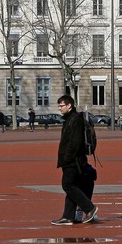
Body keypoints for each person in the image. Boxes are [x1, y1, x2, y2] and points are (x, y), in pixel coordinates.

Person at [51, 94, 98, 226]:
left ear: (69, 106)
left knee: (68, 185)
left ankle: (89, 208)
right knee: (72, 186)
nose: (59, 108)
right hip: (72, 160)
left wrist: (67, 157)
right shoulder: (70, 119)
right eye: (59, 106)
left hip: (73, 161)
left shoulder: (75, 120)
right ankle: (68, 216)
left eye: (61, 105)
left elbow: (75, 142)